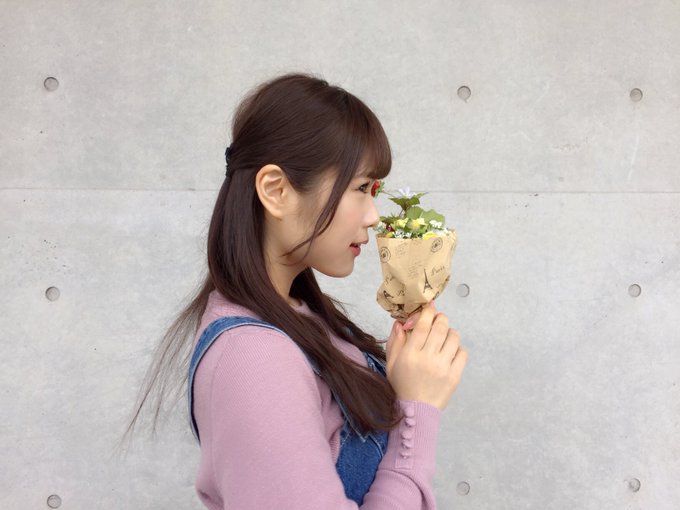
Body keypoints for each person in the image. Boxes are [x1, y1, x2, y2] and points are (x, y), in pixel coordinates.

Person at [124, 73, 468, 509]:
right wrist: (416, 413)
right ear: (276, 191)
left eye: (374, 191)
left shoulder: (297, 318)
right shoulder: (252, 357)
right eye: (360, 189)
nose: (373, 216)